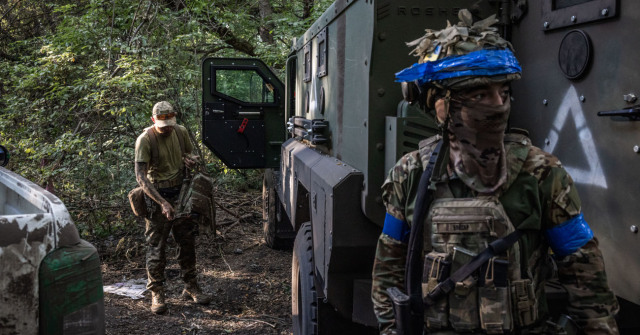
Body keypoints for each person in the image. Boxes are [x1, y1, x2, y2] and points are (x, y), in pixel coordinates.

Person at [371, 10, 619, 335]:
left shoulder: (542, 174)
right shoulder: (411, 175)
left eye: (503, 92)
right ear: (441, 106)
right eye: (480, 95)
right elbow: (389, 270)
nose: (498, 104)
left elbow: (585, 276)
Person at [135, 101, 211, 314]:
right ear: (153, 120)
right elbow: (141, 177)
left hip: (182, 193)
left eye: (170, 123)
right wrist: (162, 203)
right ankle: (157, 292)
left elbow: (188, 154)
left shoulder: (180, 132)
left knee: (186, 242)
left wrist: (190, 160)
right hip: (156, 196)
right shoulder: (145, 140)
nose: (167, 128)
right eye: (163, 125)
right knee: (156, 248)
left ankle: (191, 286)